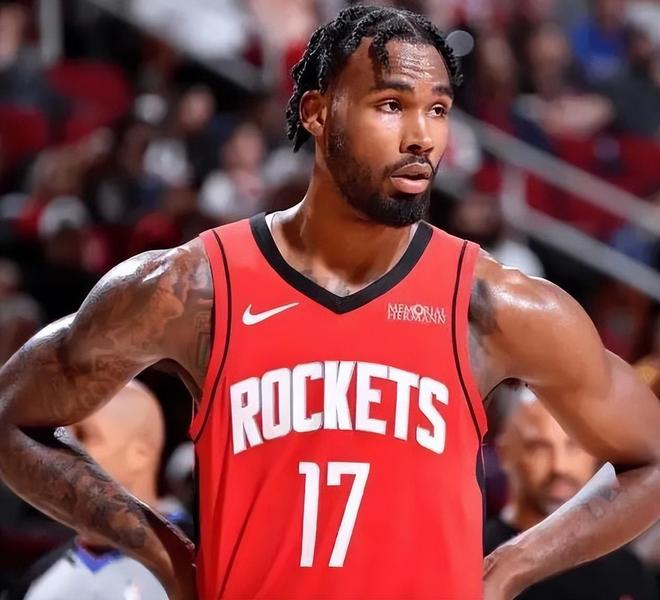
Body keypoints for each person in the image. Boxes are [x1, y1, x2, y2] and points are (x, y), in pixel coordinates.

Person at [0, 5, 659, 600]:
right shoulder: (196, 288)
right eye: (391, 104)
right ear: (317, 112)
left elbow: (651, 458)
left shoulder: (488, 304)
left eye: (437, 109)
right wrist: (163, 552)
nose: (422, 137)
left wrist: (508, 569)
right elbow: (12, 419)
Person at [4, 380, 191, 600]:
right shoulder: (36, 580)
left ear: (139, 454)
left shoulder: (203, 566)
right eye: (59, 435)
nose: (60, 450)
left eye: (83, 435)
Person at [485, 388, 658, 599]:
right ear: (504, 453)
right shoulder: (475, 558)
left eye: (573, 446)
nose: (560, 466)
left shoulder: (629, 574)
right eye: (539, 448)